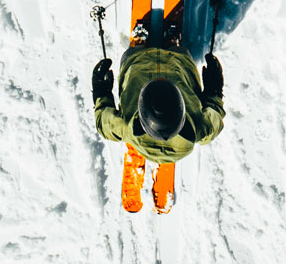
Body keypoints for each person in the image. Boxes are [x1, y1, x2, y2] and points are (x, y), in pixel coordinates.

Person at [92, 9, 224, 163]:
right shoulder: (198, 128)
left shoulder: (127, 126)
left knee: (131, 55)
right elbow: (214, 114)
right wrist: (213, 87)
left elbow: (103, 122)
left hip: (138, 62)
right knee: (181, 55)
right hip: (177, 64)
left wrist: (101, 89)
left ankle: (139, 44)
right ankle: (172, 44)